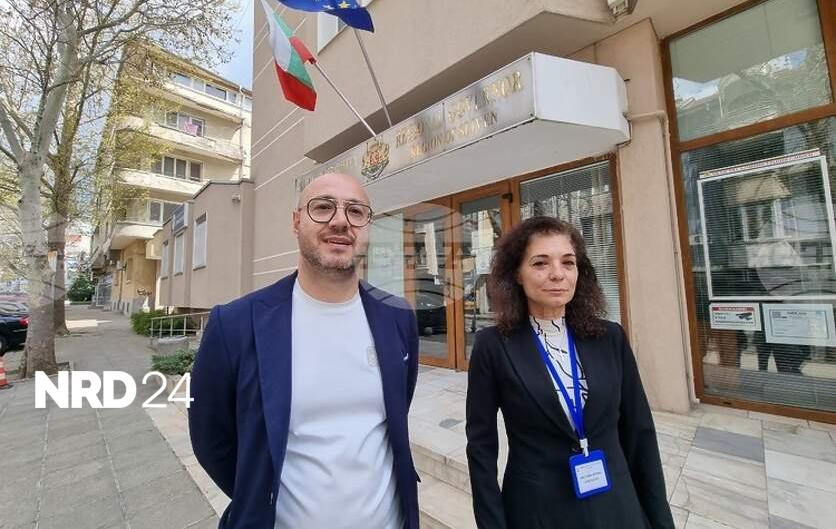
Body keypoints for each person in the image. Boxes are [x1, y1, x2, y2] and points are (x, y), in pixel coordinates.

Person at [189, 173, 420, 529]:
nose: (340, 221)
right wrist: (258, 494)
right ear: (296, 222)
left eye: (355, 211)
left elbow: (398, 409)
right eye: (323, 207)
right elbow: (211, 440)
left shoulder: (398, 317)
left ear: (368, 227)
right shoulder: (234, 325)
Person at [466, 216, 674, 529]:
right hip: (538, 511)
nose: (557, 274)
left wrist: (660, 520)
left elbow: (639, 434)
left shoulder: (610, 337)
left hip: (616, 505)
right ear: (517, 274)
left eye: (568, 262)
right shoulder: (493, 346)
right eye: (540, 263)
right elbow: (481, 449)